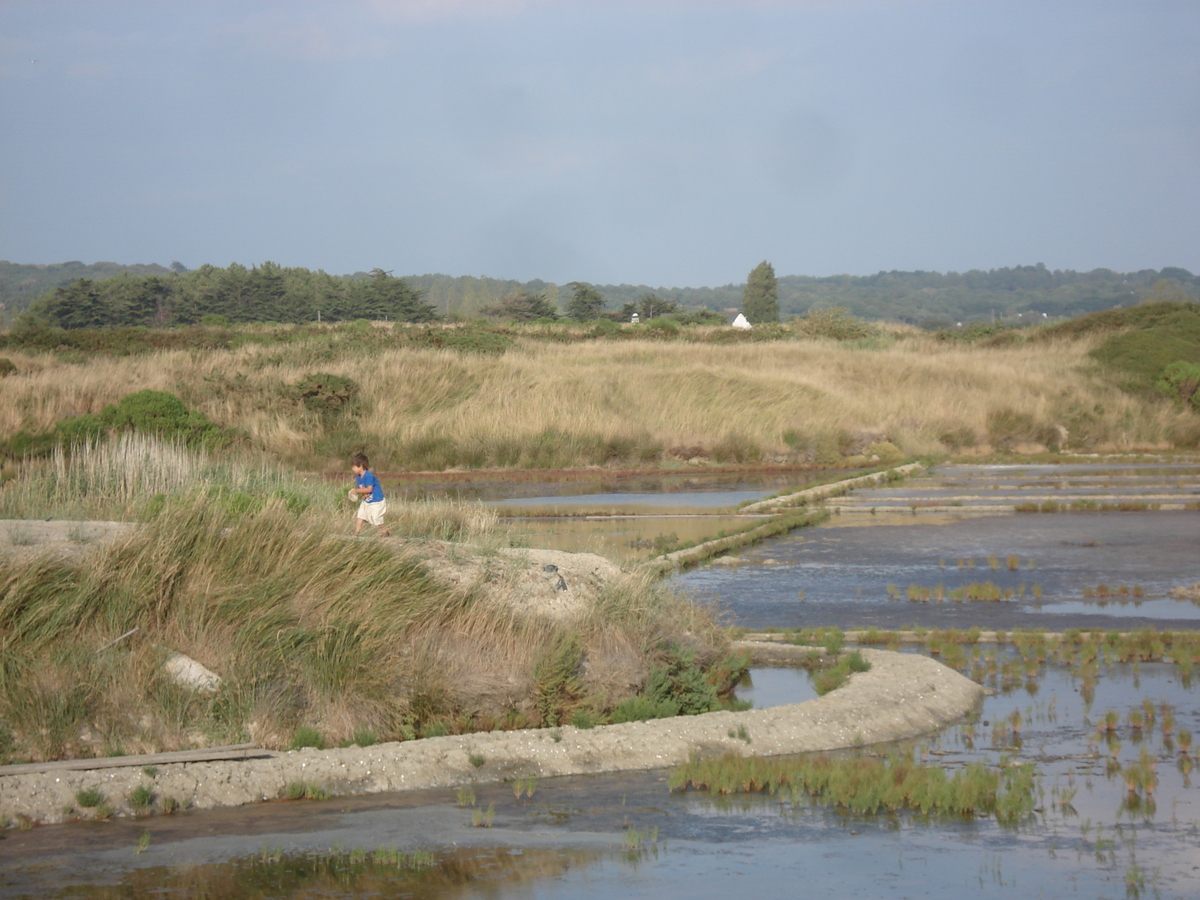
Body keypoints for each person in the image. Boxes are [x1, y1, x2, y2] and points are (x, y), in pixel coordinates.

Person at [350, 452, 390, 537]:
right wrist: (355, 494)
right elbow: (362, 489)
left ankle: (384, 531)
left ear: (360, 466)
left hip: (376, 501)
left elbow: (369, 489)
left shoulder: (368, 476)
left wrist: (357, 491)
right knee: (360, 515)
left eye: (354, 466)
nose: (352, 468)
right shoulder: (358, 478)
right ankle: (357, 532)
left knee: (375, 518)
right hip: (367, 501)